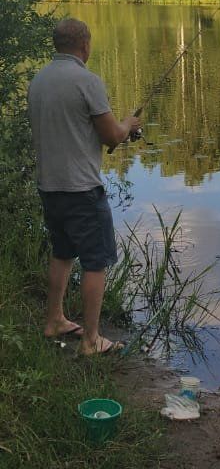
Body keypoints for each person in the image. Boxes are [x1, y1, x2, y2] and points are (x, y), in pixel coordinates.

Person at [28, 18, 141, 355]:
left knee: (62, 252)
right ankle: (91, 340)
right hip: (81, 190)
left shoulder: (39, 80)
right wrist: (129, 124)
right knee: (96, 262)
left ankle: (55, 320)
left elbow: (69, 128)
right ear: (85, 45)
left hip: (49, 186)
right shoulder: (86, 81)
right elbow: (111, 136)